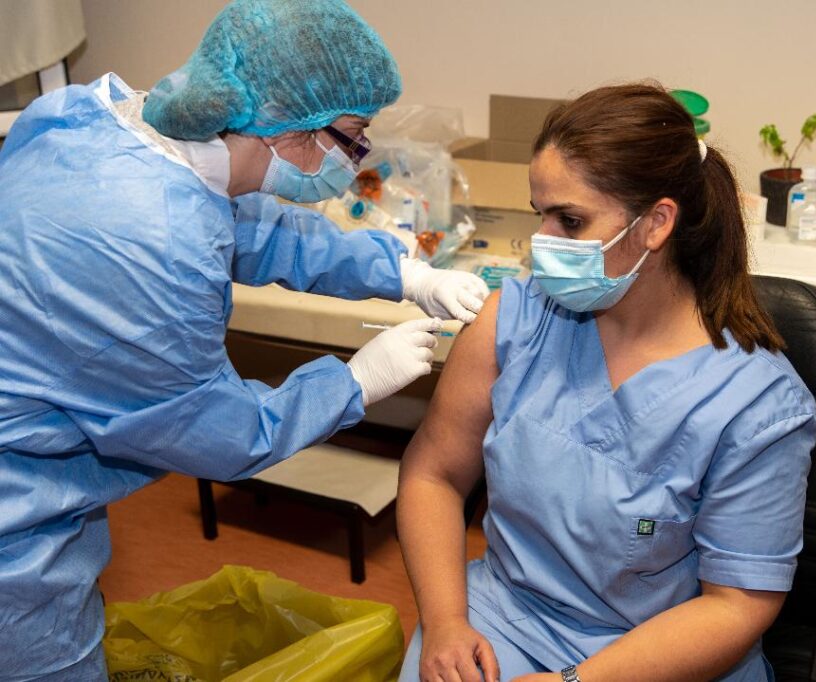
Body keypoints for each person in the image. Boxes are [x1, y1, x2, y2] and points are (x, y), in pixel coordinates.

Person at [0, 0, 489, 678]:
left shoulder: (94, 120)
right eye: (353, 138)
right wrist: (352, 382)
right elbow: (216, 433)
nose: (356, 160)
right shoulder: (152, 247)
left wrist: (400, 273)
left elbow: (246, 226)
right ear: (291, 132)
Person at [397, 83, 816, 682]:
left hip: (659, 653)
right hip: (503, 618)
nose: (543, 242)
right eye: (541, 214)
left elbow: (736, 605)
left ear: (656, 223)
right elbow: (433, 475)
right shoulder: (511, 321)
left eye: (570, 221)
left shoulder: (755, 404)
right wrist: (444, 623)